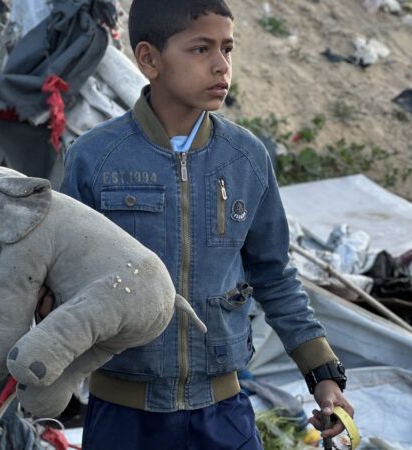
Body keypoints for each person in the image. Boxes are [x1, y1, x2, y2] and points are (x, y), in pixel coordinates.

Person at [59, 1, 354, 448]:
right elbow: (62, 279)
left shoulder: (246, 158)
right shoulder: (95, 158)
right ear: (149, 59)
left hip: (222, 412)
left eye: (227, 48)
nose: (221, 66)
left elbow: (273, 274)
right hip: (122, 416)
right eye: (201, 49)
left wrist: (323, 373)